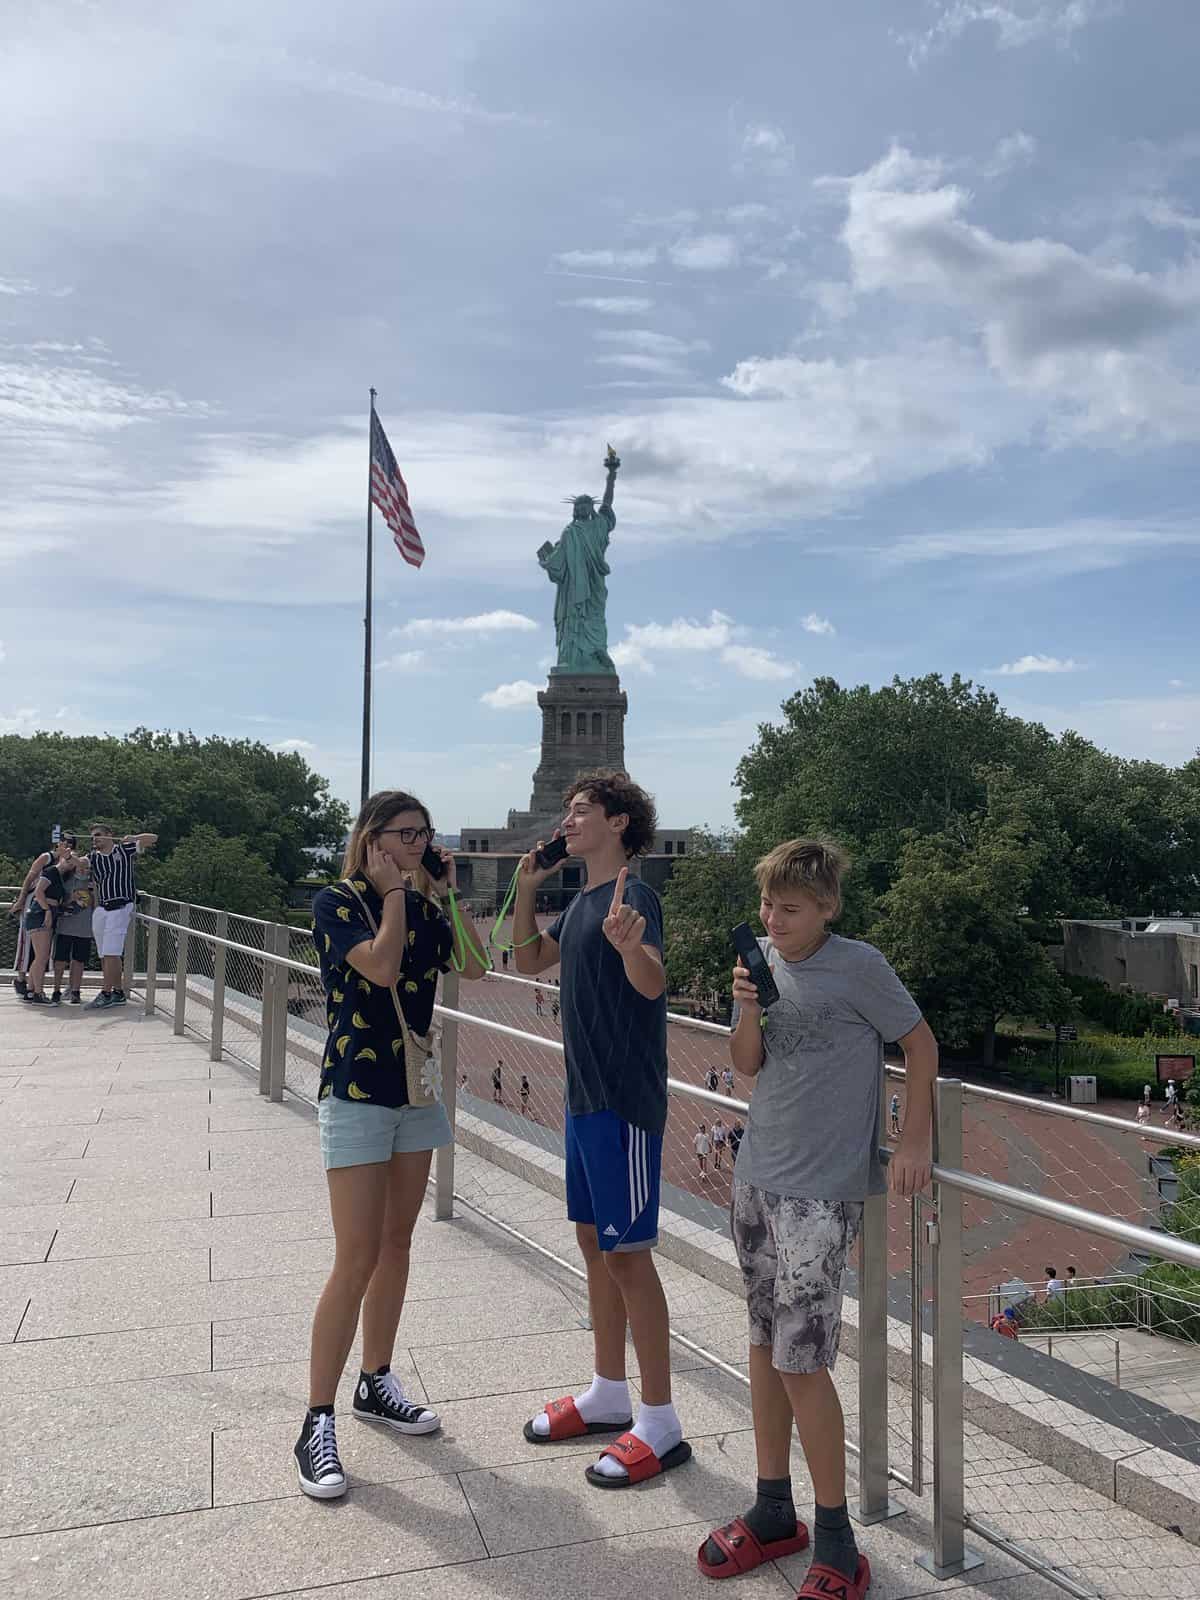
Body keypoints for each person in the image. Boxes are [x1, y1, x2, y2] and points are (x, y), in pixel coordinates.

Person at [699, 837, 936, 1597]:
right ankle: (775, 1510)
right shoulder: (764, 959)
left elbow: (920, 1044)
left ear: (828, 907)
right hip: (759, 1174)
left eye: (791, 909)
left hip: (820, 1191)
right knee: (766, 1347)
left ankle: (837, 1537)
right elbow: (747, 1064)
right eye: (768, 906)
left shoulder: (859, 965)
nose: (775, 920)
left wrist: (914, 1141)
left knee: (804, 1361)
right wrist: (745, 1005)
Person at [293, 789, 488, 1501]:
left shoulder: (427, 904)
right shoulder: (336, 901)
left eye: (424, 834)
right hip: (355, 1090)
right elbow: (378, 966)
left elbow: (475, 967)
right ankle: (316, 1417)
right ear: (373, 839)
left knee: (398, 1244)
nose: (417, 844)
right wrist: (395, 895)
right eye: (406, 834)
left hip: (415, 1090)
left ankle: (376, 1380)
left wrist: (447, 892)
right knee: (357, 1254)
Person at [514, 770, 689, 1487]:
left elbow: (653, 981)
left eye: (582, 810)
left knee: (629, 1257)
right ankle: (609, 1391)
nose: (569, 820)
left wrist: (628, 947)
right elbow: (526, 960)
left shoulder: (632, 897)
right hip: (583, 1099)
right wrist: (526, 889)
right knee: (593, 1246)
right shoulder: (583, 899)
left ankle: (660, 1420)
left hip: (623, 1102)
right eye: (568, 811)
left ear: (619, 823)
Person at [83, 824, 157, 1008]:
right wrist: (68, 857)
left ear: (109, 835)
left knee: (111, 953)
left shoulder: (123, 850)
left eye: (98, 835)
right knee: (105, 954)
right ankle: (117, 991)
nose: (95, 839)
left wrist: (133, 837)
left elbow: (153, 838)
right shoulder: (93, 856)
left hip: (121, 906)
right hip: (102, 908)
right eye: (93, 837)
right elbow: (79, 863)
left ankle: (106, 993)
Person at [22, 839, 77, 1005]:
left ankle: (31, 991)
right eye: (69, 860)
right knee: (42, 956)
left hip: (47, 912)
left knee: (40, 956)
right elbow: (39, 892)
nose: (70, 864)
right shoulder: (51, 871)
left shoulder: (59, 876)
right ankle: (38, 993)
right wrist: (46, 910)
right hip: (40, 913)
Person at [10, 839, 63, 996]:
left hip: (47, 905)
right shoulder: (47, 857)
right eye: (64, 843)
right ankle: (21, 978)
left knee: (41, 949)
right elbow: (29, 879)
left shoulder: (64, 865)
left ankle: (32, 986)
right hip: (33, 903)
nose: (67, 847)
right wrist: (20, 900)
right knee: (26, 940)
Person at [52, 853, 95, 1004]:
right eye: (81, 866)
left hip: (85, 928)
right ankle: (56, 990)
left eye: (86, 867)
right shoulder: (66, 879)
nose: (84, 870)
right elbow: (58, 899)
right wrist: (71, 898)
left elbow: (95, 902)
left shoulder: (93, 881)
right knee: (60, 960)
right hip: (65, 926)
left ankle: (75, 991)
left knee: (79, 960)